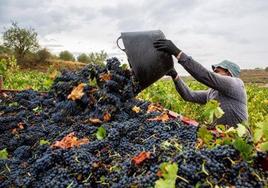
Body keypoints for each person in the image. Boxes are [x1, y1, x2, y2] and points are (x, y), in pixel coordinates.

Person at [153, 39, 248, 126]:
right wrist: (175, 76)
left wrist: (177, 53)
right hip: (222, 138)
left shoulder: (235, 84)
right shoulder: (212, 93)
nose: (213, 73)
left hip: (240, 140)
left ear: (228, 72)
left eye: (217, 71)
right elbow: (189, 95)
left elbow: (205, 76)